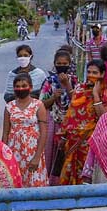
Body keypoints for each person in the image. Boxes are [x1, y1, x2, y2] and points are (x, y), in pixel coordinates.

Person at [56, 59, 107, 185]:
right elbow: (72, 111)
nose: (91, 75)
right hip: (72, 142)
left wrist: (95, 95)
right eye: (89, 72)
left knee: (86, 179)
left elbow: (104, 117)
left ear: (102, 74)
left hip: (90, 144)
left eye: (95, 72)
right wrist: (64, 137)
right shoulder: (79, 89)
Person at [3, 74, 50, 187]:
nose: (21, 89)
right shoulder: (9, 107)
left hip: (33, 150)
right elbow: (5, 132)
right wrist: (4, 155)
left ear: (31, 87)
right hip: (14, 150)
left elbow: (44, 132)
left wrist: (37, 157)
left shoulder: (38, 105)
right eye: (17, 86)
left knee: (34, 181)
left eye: (24, 85)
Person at [41, 49, 78, 185]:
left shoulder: (74, 80)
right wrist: (53, 97)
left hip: (70, 123)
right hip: (53, 122)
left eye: (64, 63)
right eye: (59, 63)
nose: (62, 65)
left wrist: (68, 85)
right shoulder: (49, 81)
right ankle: (51, 182)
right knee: (51, 153)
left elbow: (78, 103)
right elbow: (42, 103)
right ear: (55, 64)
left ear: (69, 64)